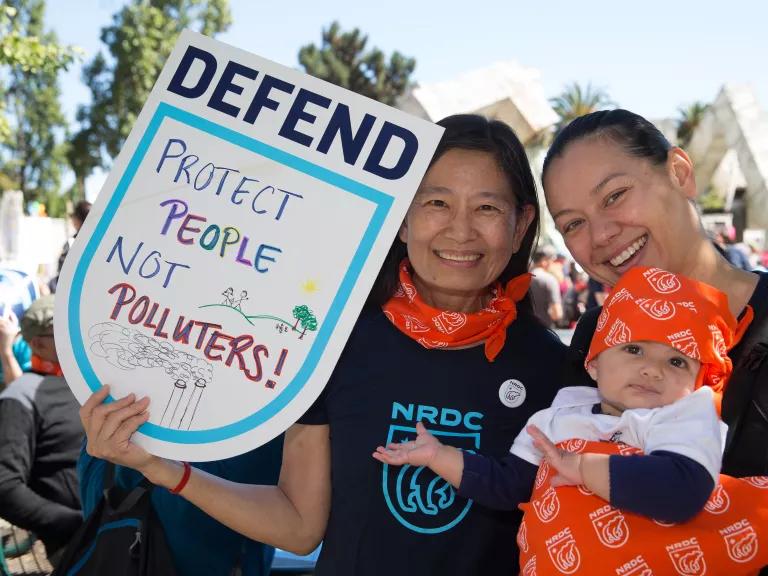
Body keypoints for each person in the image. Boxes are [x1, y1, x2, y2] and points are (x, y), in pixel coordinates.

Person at [78, 114, 567, 575]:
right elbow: (297, 525)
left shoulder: (554, 370)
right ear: (401, 218)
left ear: (521, 224)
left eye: (487, 207)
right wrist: (162, 468)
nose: (460, 230)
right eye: (436, 202)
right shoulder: (331, 346)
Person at [374, 266, 768, 574]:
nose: (652, 370)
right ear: (594, 365)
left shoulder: (683, 419)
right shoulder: (561, 416)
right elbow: (509, 485)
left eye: (677, 360)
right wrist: (438, 456)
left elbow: (682, 492)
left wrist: (580, 467)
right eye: (634, 349)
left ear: (697, 380)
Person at [541, 108, 768, 478]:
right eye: (574, 224)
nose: (601, 235)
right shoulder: (594, 338)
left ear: (679, 173)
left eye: (614, 196)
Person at [0, 295, 83, 567]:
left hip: (132, 526)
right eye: (63, 333)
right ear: (37, 344)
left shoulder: (91, 384)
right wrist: (72, 524)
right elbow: (5, 486)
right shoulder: (22, 395)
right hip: (79, 546)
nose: (75, 337)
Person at [49, 199, 91, 293]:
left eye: (74, 217)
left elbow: (62, 274)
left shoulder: (72, 243)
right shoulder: (99, 242)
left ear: (78, 220)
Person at [529, 247, 563, 328]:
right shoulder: (550, 280)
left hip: (524, 329)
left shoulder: (523, 279)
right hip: (545, 330)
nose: (556, 264)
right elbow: (557, 314)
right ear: (544, 261)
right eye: (553, 261)